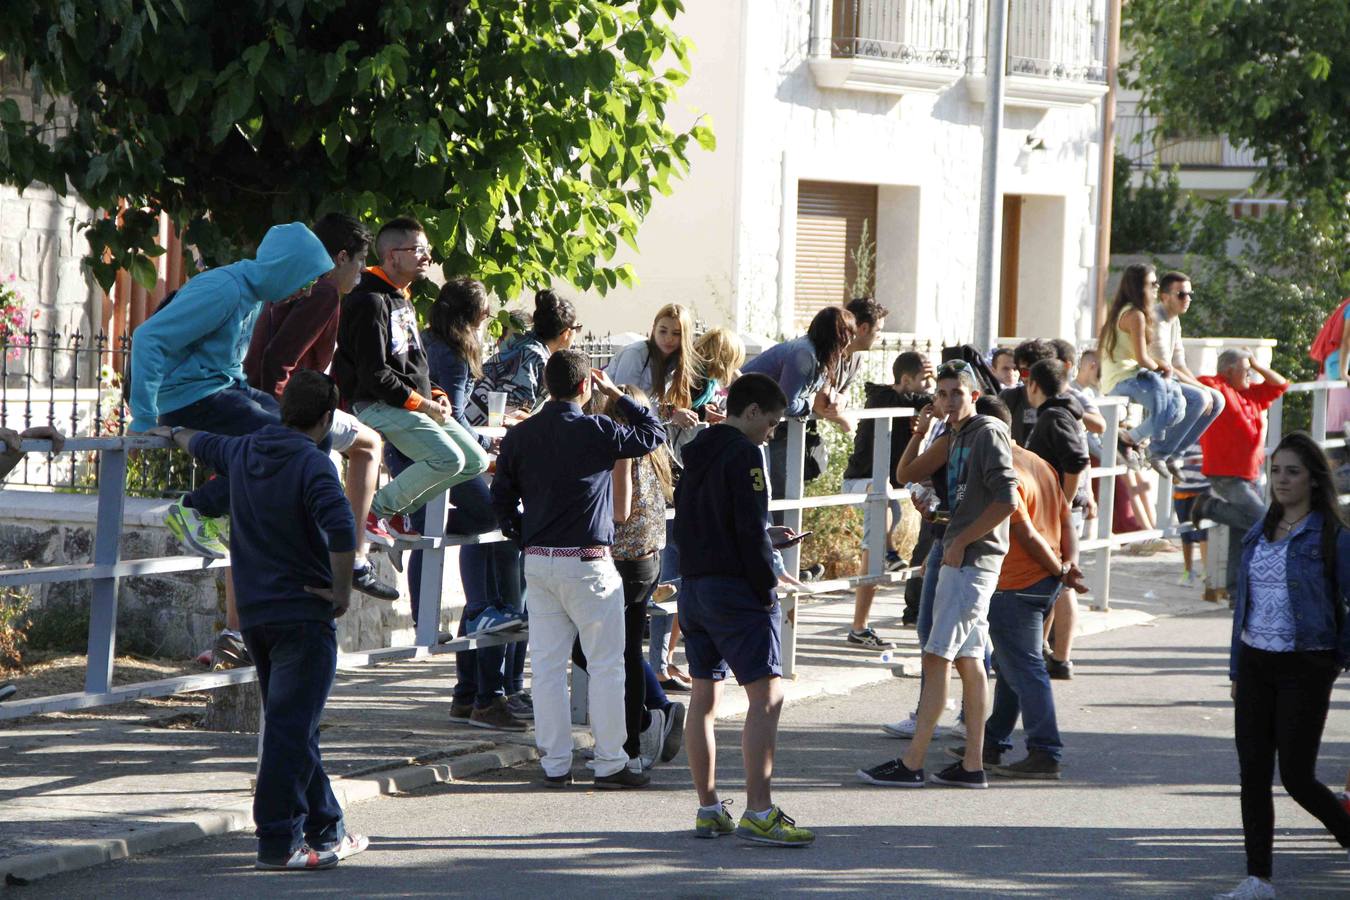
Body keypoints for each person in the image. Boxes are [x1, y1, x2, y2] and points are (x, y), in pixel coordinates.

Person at [153, 370, 367, 871]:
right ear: (327, 419)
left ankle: (327, 827)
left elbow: (195, 441)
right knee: (292, 729)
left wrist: (168, 430)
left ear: (282, 406)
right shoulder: (313, 464)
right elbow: (339, 525)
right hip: (302, 614)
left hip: (255, 614)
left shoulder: (244, 450)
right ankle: (277, 841)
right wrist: (340, 591)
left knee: (296, 724)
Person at [129, 221, 334, 667]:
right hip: (190, 400)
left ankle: (247, 514)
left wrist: (256, 399)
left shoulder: (253, 294)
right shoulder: (222, 290)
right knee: (278, 442)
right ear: (286, 268)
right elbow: (148, 338)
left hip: (222, 389)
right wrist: (143, 420)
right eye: (304, 281)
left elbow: (226, 362)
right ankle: (197, 507)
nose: (305, 293)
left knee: (314, 435)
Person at [491, 351, 665, 789]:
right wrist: (617, 396)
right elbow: (652, 433)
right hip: (588, 562)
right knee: (607, 665)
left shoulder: (522, 434)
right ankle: (610, 762)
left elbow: (501, 495)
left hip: (539, 561)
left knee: (547, 667)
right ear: (586, 385)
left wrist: (521, 533)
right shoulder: (598, 429)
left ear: (547, 385)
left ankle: (555, 763)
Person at [858, 359, 1017, 789]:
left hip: (971, 560)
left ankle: (912, 763)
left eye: (956, 394)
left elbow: (1007, 500)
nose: (948, 401)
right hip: (958, 557)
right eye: (942, 394)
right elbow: (906, 475)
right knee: (967, 660)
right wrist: (919, 432)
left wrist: (963, 541)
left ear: (974, 396)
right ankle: (971, 765)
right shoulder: (954, 433)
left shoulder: (986, 432)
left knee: (936, 656)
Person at [675, 372, 814, 846]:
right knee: (766, 698)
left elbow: (712, 520)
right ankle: (759, 810)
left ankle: (709, 808)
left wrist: (760, 539)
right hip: (735, 589)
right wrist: (766, 584)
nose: (771, 433)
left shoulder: (696, 450)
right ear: (750, 411)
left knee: (704, 699)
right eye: (772, 423)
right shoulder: (746, 455)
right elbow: (750, 525)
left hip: (694, 586)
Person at [1215, 432, 1350, 900]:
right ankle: (1257, 879)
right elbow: (1243, 610)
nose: (1281, 480)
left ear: (1314, 479)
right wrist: (1235, 670)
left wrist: (1334, 660)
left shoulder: (1333, 536)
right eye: (1274, 471)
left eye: (1292, 471)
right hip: (1255, 663)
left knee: (1296, 777)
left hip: (1305, 666)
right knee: (1252, 774)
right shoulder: (1260, 530)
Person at [242, 212, 397, 601]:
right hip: (293, 411)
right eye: (360, 261)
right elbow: (278, 360)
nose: (362, 272)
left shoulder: (297, 281)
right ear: (341, 257)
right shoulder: (325, 289)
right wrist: (283, 422)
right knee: (370, 446)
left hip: (279, 404)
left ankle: (236, 630)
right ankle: (356, 560)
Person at [413, 279, 527, 732]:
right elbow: (455, 420)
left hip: (413, 457)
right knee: (496, 520)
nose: (487, 318)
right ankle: (482, 616)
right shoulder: (455, 352)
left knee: (434, 528)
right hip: (442, 458)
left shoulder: (428, 340)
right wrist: (489, 452)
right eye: (483, 311)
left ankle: (476, 688)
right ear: (469, 315)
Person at [331, 216, 489, 538]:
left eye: (426, 249)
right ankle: (371, 510)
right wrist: (424, 405)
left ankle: (396, 510)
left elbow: (418, 367)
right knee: (448, 459)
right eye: (418, 249)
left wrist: (438, 397)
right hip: (375, 404)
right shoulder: (369, 300)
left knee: (475, 460)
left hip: (408, 405)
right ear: (392, 256)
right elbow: (373, 374)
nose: (427, 257)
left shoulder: (402, 299)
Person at [968, 396, 1086, 779]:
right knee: (1011, 663)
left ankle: (1044, 751)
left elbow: (1027, 531)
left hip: (1017, 582)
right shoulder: (1039, 463)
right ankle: (993, 741)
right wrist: (1069, 564)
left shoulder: (1004, 471)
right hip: (1042, 581)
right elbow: (1066, 518)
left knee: (1025, 667)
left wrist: (1060, 568)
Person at [570, 385, 686, 769]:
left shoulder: (621, 450)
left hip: (622, 560)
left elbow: (618, 511)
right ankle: (634, 742)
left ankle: (637, 729)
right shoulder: (653, 452)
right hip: (648, 560)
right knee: (626, 650)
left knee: (590, 647)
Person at [605, 304, 705, 688]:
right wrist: (671, 415)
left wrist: (689, 412)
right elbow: (626, 406)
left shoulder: (680, 365)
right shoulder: (636, 355)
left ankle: (652, 678)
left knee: (624, 631)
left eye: (675, 333)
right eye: (662, 330)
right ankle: (649, 687)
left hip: (650, 455)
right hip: (629, 447)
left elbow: (651, 413)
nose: (667, 338)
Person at [840, 350, 934, 646]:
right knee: (881, 506)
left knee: (873, 549)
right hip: (861, 482)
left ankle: (859, 626)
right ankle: (890, 553)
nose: (928, 388)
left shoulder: (911, 402)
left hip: (885, 487)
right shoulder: (881, 397)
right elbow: (916, 402)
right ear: (905, 380)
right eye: (924, 380)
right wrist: (930, 402)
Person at [1191, 350, 1289, 596]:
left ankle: (1235, 591)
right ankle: (1208, 507)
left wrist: (1255, 363)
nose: (1250, 374)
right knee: (1264, 522)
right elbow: (1199, 383)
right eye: (1245, 369)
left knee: (1242, 533)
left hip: (1250, 474)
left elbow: (1281, 384)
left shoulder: (1252, 394)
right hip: (1226, 474)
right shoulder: (1219, 387)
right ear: (1229, 371)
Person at [742, 306, 857, 502]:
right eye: (849, 335)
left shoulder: (816, 353)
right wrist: (810, 403)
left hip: (760, 420)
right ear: (838, 336)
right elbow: (786, 404)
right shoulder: (804, 355)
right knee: (771, 492)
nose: (851, 342)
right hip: (746, 416)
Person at [1097, 263, 1186, 472]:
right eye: (1152, 283)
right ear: (1139, 287)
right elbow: (1142, 358)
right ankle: (1133, 440)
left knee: (1178, 406)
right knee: (1172, 407)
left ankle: (1130, 438)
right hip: (1122, 379)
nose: (1156, 287)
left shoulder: (1126, 310)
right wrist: (1164, 367)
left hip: (1129, 376)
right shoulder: (1135, 315)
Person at [1148, 271, 1227, 475]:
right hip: (1150, 379)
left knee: (1217, 399)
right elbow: (1164, 366)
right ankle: (1157, 452)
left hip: (1167, 378)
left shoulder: (1174, 321)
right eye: (1182, 294)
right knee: (1199, 398)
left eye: (1190, 294)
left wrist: (1203, 387)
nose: (1188, 299)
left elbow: (1179, 363)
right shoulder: (1155, 319)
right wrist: (1201, 390)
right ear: (1165, 297)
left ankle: (1175, 454)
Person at [467, 289, 580, 424]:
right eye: (577, 327)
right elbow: (509, 413)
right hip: (481, 435)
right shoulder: (533, 358)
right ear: (566, 333)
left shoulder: (522, 345)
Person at [998, 339, 1059, 446]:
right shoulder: (1009, 397)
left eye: (1036, 372)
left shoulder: (1060, 402)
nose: (1031, 378)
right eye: (1025, 371)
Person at [1172, 443, 1211, 590]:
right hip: (1182, 489)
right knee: (1185, 533)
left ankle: (1206, 570)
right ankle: (1188, 571)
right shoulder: (1181, 435)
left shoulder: (1206, 432)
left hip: (1203, 489)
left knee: (1203, 532)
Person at [1310, 296, 1350, 435]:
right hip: (1338, 367)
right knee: (1338, 419)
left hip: (1335, 367)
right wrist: (1344, 372)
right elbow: (1347, 339)